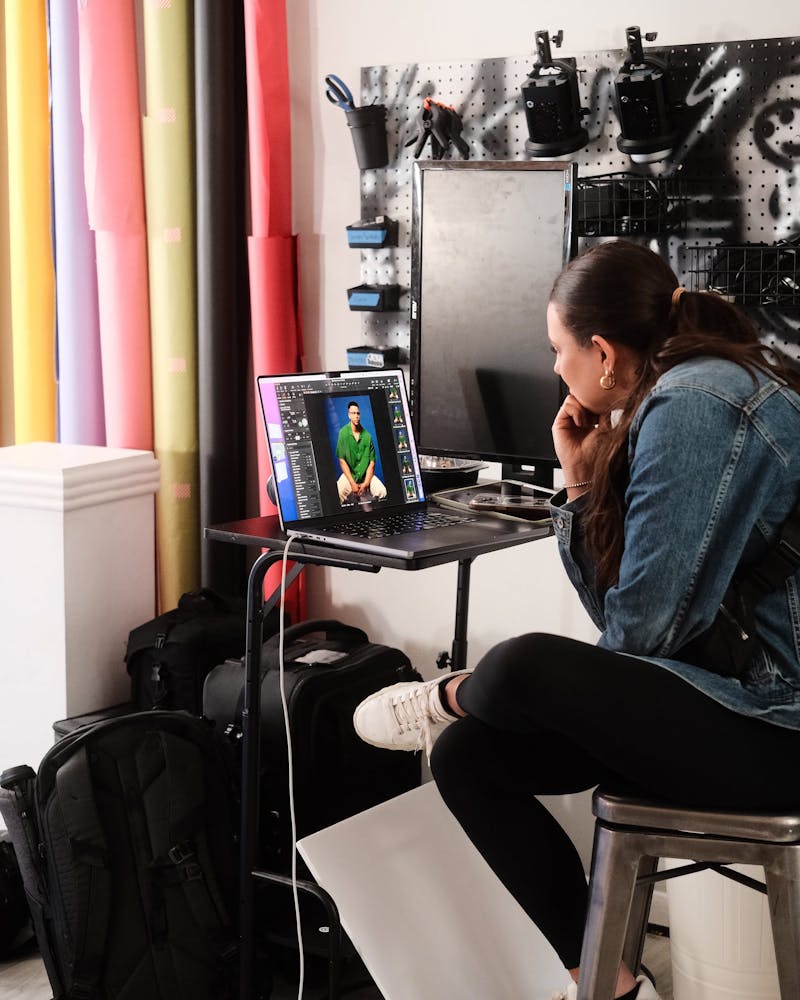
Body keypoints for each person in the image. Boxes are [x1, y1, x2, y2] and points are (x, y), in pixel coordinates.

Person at [352, 240, 800, 1000]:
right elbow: (639, 633)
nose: (555, 368)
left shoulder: (698, 403)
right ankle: (607, 982)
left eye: (557, 350)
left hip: (777, 726)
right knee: (469, 759)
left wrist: (586, 497)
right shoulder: (694, 389)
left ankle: (445, 694)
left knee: (525, 667)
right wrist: (581, 482)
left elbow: (640, 636)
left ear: (600, 351)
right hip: (730, 703)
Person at [336, 401, 387, 503]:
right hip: (350, 476)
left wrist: (366, 483)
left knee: (383, 492)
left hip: (366, 476)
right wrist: (352, 483)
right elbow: (342, 460)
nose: (356, 416)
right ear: (349, 415)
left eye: (358, 413)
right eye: (353, 413)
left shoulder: (367, 436)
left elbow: (372, 463)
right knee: (338, 492)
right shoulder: (343, 433)